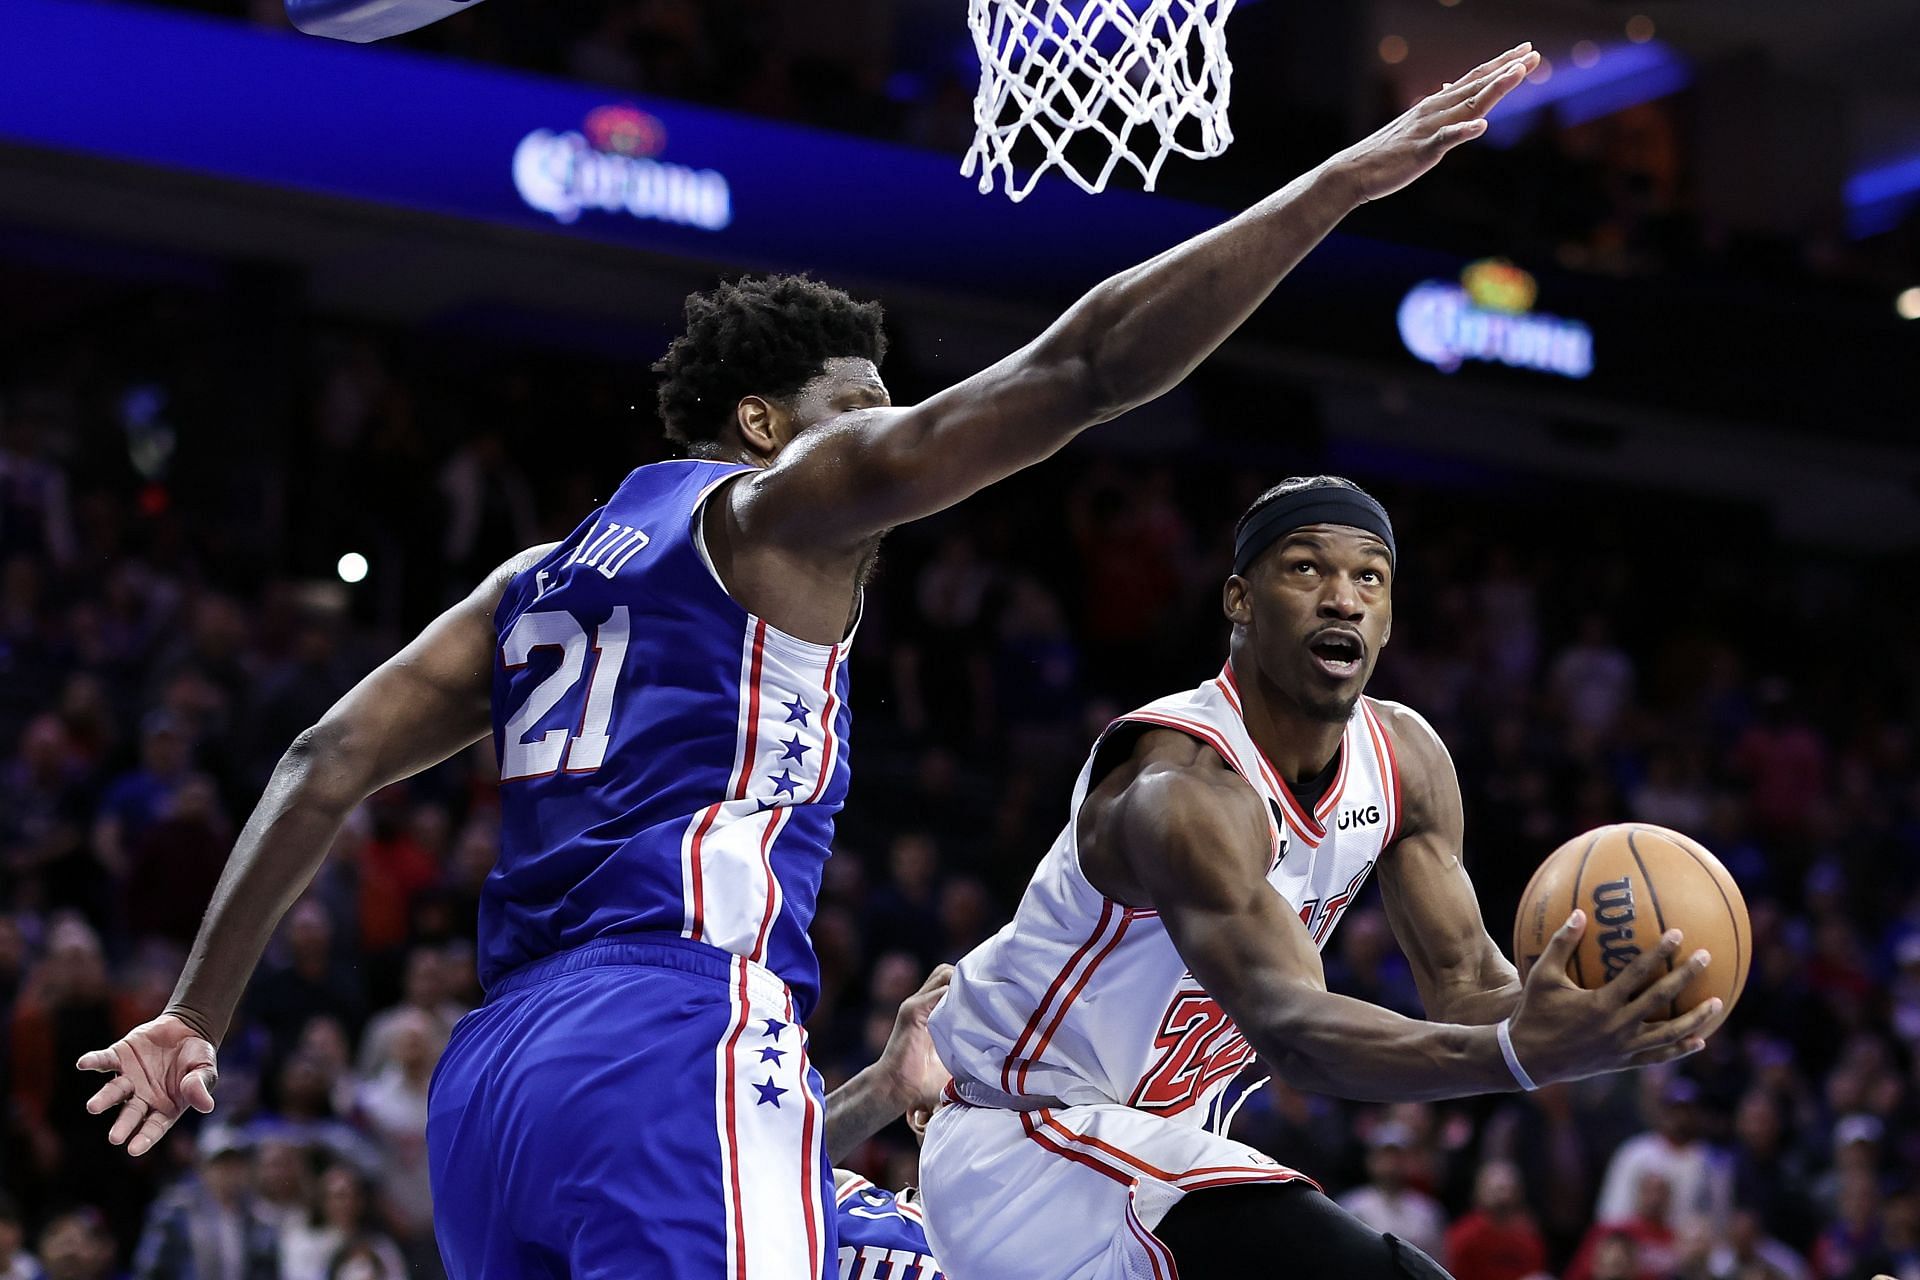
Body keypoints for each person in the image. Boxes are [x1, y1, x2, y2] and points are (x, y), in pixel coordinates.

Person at [82, 39, 1543, 1280]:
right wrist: (1337, 187)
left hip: (494, 1086)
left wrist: (195, 1011)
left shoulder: (538, 580)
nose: (891, 431)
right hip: (676, 1018)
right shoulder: (775, 513)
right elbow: (1087, 367)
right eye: (862, 403)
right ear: (772, 425)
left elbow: (320, 760)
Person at [922, 475, 1722, 1280]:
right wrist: (1517, 1055)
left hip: (1153, 1157)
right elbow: (1294, 1033)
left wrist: (1600, 1019)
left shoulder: (1405, 757)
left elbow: (1469, 987)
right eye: (1306, 570)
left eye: (1368, 577)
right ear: (1240, 599)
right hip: (1023, 1148)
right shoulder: (1182, 790)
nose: (1343, 598)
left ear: (1388, 617)